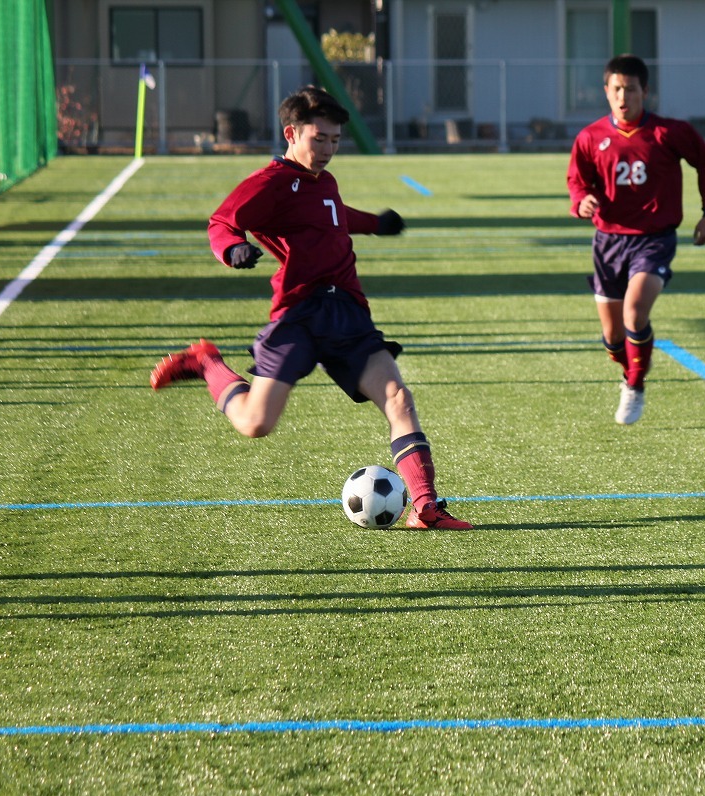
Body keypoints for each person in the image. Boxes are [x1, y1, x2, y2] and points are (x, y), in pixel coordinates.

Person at [150, 85, 471, 530]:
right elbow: (222, 222)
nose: (327, 149)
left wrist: (377, 224)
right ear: (292, 133)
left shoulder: (326, 181)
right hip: (299, 314)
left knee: (399, 398)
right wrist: (232, 249)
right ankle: (207, 362)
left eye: (336, 141)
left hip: (347, 312)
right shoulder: (271, 182)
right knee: (255, 424)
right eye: (319, 139)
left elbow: (333, 214)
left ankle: (425, 507)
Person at [567, 54, 705, 425]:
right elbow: (577, 181)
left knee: (635, 312)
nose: (624, 97)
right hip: (607, 241)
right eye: (617, 89)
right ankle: (629, 372)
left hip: (654, 239)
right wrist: (581, 201)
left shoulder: (670, 133)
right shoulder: (590, 137)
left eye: (632, 89)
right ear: (606, 91)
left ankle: (635, 384)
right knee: (612, 338)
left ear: (645, 91)